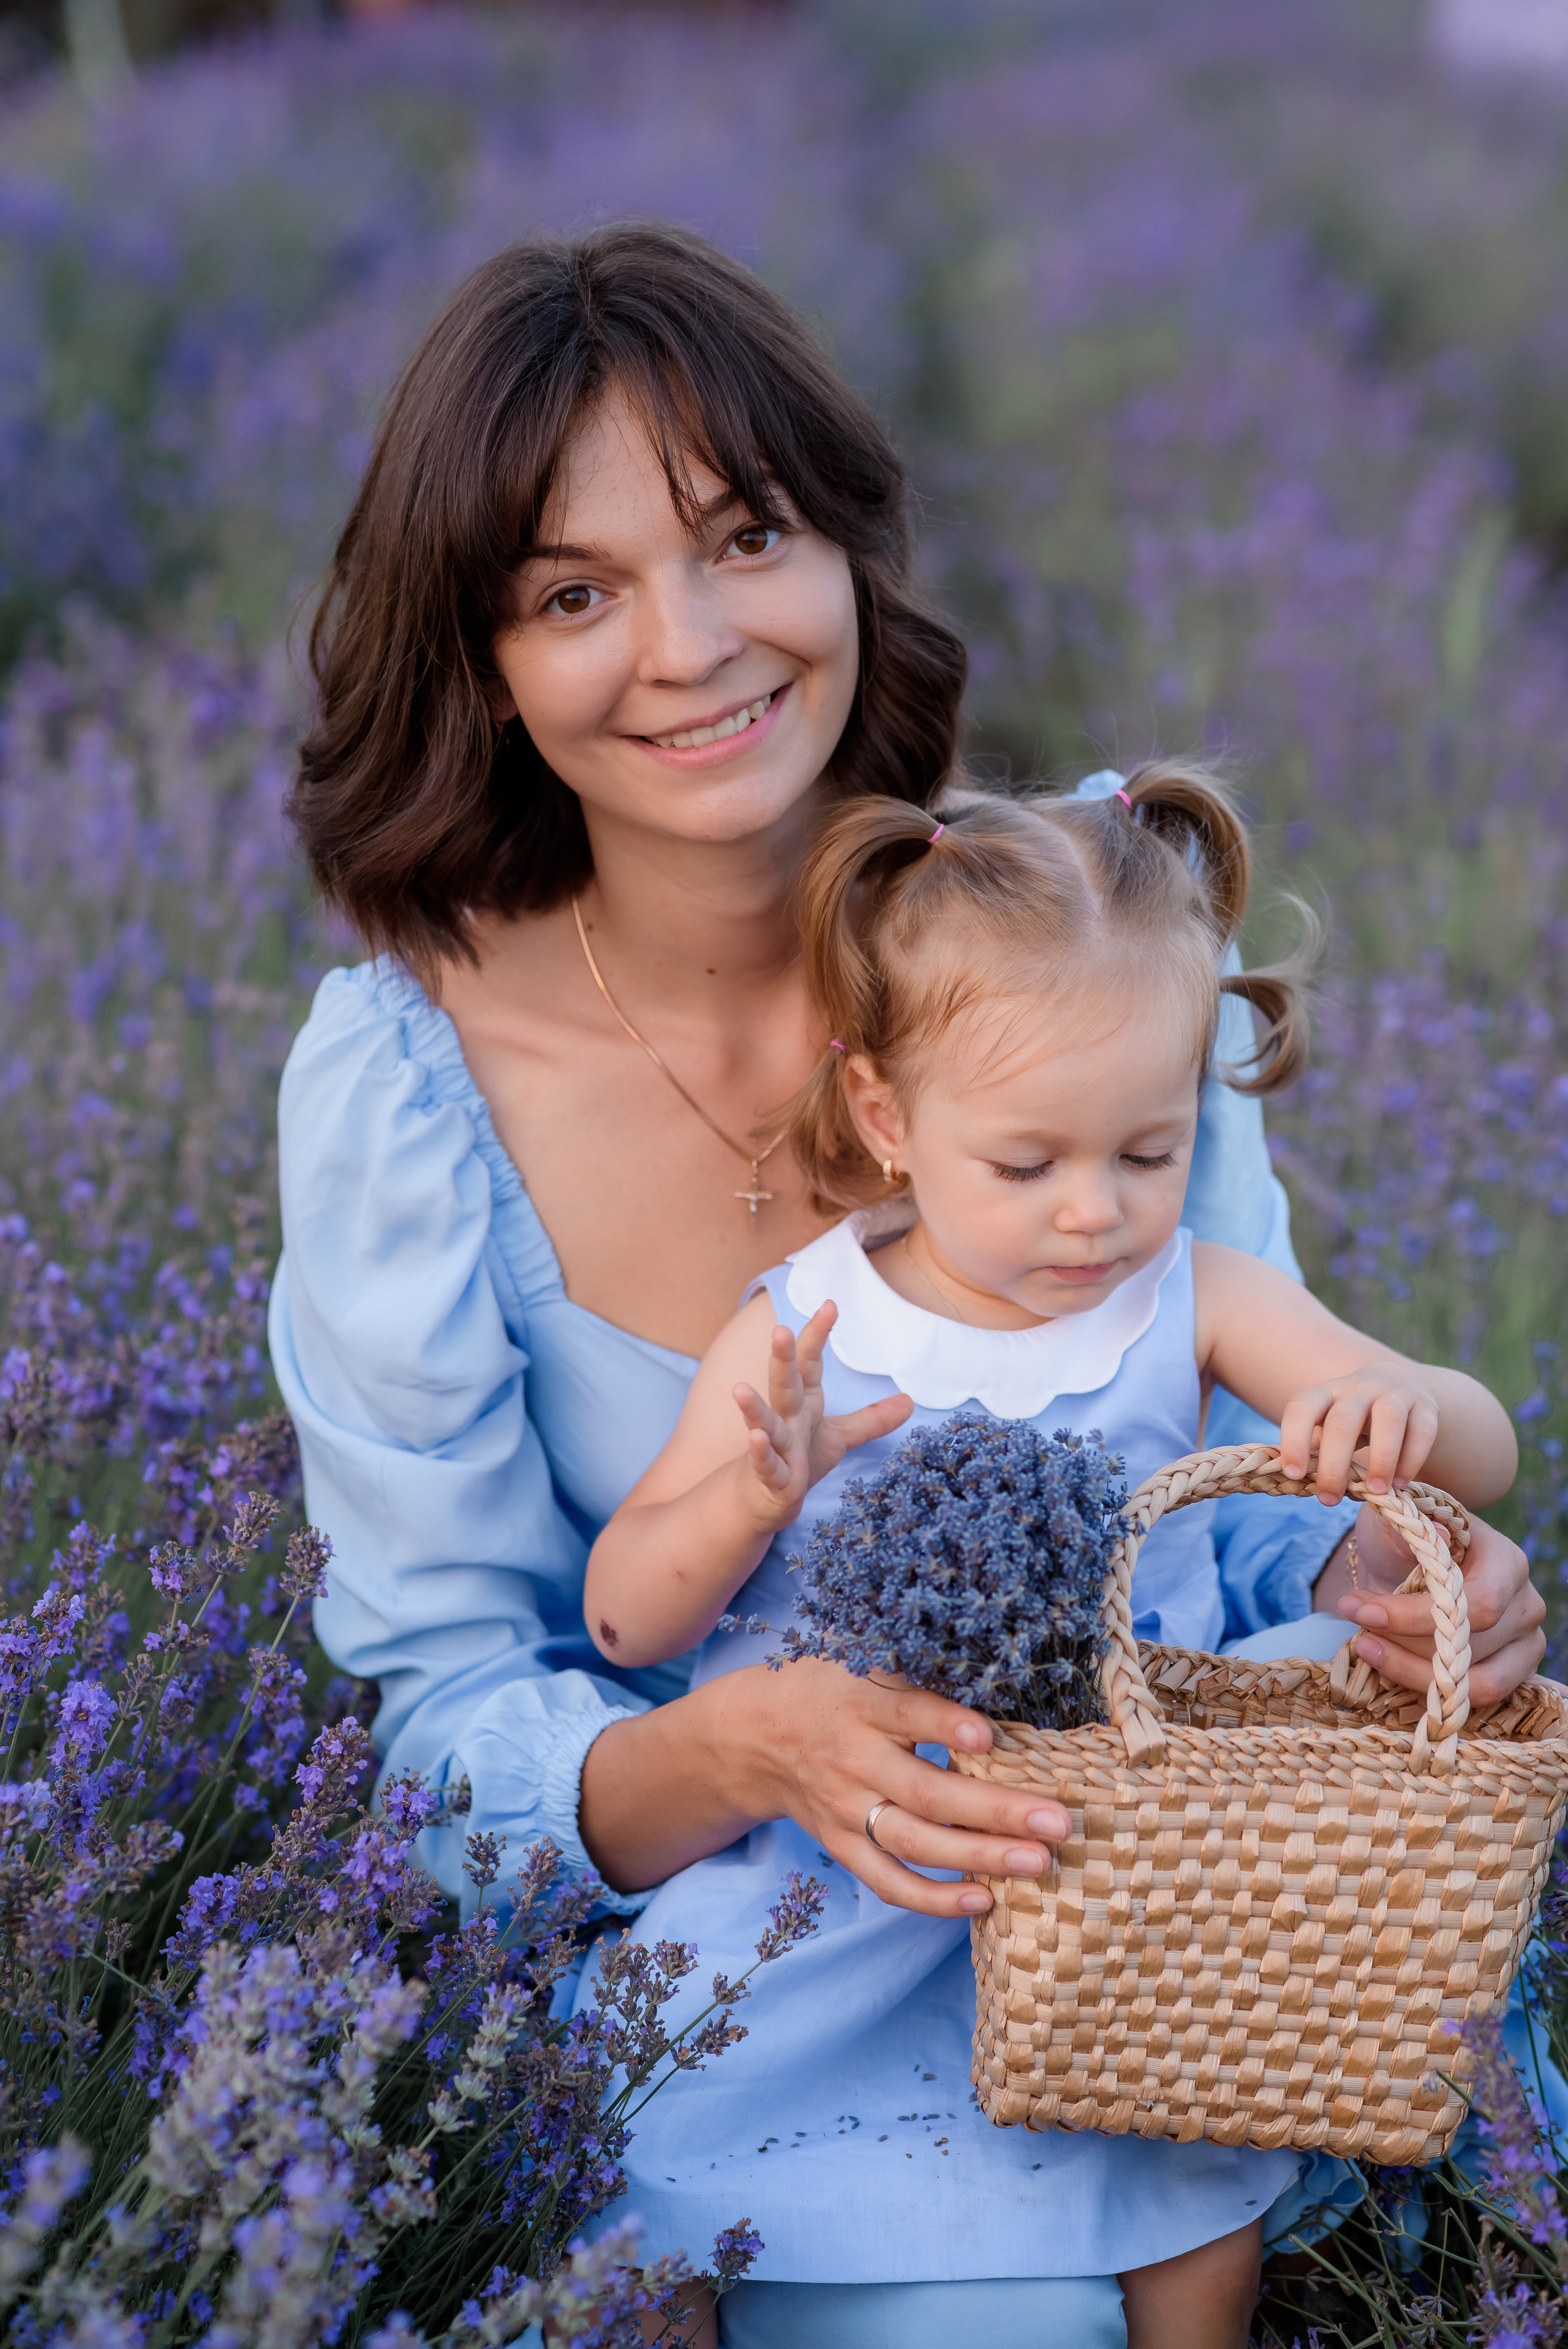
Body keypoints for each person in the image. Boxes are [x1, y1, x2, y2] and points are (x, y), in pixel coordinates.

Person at [269, 222, 1547, 2348]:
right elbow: (447, 1722)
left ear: (849, 551)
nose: (689, 645)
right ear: (482, 660)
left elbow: (1220, 1513)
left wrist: (1385, 1595)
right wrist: (749, 1750)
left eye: (744, 536)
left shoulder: (1084, 945)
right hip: (726, 1958)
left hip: (1147, 1949)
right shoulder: (408, 1087)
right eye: (575, 593)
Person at [579, 775, 1519, 2349]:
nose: (1093, 1215)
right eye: (1026, 1166)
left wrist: (1401, 1407)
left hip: (1109, 1863)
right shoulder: (810, 1321)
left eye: (1147, 1154)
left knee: (1188, 2190)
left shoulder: (1193, 1295)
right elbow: (623, 1614)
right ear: (885, 1115)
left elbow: (1479, 1443)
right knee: (663, 2132)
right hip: (850, 1858)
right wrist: (751, 1497)